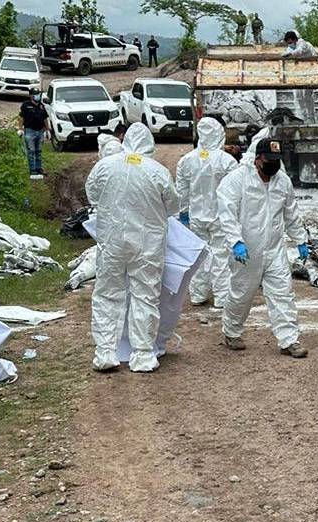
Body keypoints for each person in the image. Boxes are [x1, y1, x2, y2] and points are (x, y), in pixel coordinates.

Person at [84, 123, 178, 372]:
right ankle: (143, 355)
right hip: (147, 243)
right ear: (150, 144)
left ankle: (105, 353)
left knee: (107, 294)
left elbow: (92, 195)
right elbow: (173, 205)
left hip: (112, 240)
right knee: (145, 295)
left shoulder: (105, 166)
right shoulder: (157, 170)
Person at [216, 138, 310, 358]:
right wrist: (236, 242)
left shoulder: (282, 181)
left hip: (274, 249)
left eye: (276, 160)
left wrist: (300, 239)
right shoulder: (237, 180)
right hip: (246, 251)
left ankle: (289, 340)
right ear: (257, 159)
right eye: (269, 160)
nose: (273, 165)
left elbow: (291, 213)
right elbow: (227, 213)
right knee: (242, 294)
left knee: (283, 293)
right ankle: (231, 331)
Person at [175, 117, 238, 308]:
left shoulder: (187, 160)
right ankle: (221, 297)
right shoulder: (227, 161)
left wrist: (183, 212)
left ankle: (198, 294)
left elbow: (181, 190)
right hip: (220, 216)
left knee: (198, 256)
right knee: (221, 256)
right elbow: (235, 191)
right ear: (219, 134)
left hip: (196, 216)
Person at [18, 88, 48, 180]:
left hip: (40, 131)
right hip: (29, 131)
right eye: (35, 94)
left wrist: (48, 130)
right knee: (31, 151)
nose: (37, 96)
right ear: (31, 95)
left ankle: (39, 169)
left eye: (38, 94)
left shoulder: (41, 106)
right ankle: (32, 170)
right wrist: (20, 129)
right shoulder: (26, 105)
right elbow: (21, 118)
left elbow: (45, 118)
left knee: (38, 151)